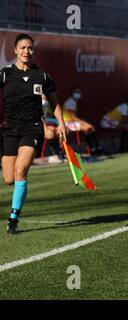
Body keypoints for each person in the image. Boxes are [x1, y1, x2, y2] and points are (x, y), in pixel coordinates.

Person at [0, 33, 66, 234]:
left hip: (33, 127)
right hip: (10, 129)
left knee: (21, 169)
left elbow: (54, 102)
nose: (26, 51)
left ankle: (13, 219)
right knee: (9, 179)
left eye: (29, 48)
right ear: (15, 50)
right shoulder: (4, 74)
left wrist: (61, 125)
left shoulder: (42, 75)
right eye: (22, 48)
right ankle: (16, 200)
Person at [63, 87, 102, 155]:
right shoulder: (70, 102)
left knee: (91, 128)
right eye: (76, 92)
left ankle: (97, 148)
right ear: (72, 93)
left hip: (71, 122)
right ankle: (92, 149)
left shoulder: (73, 101)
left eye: (79, 92)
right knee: (88, 128)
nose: (78, 94)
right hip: (67, 123)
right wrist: (84, 122)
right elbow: (73, 118)